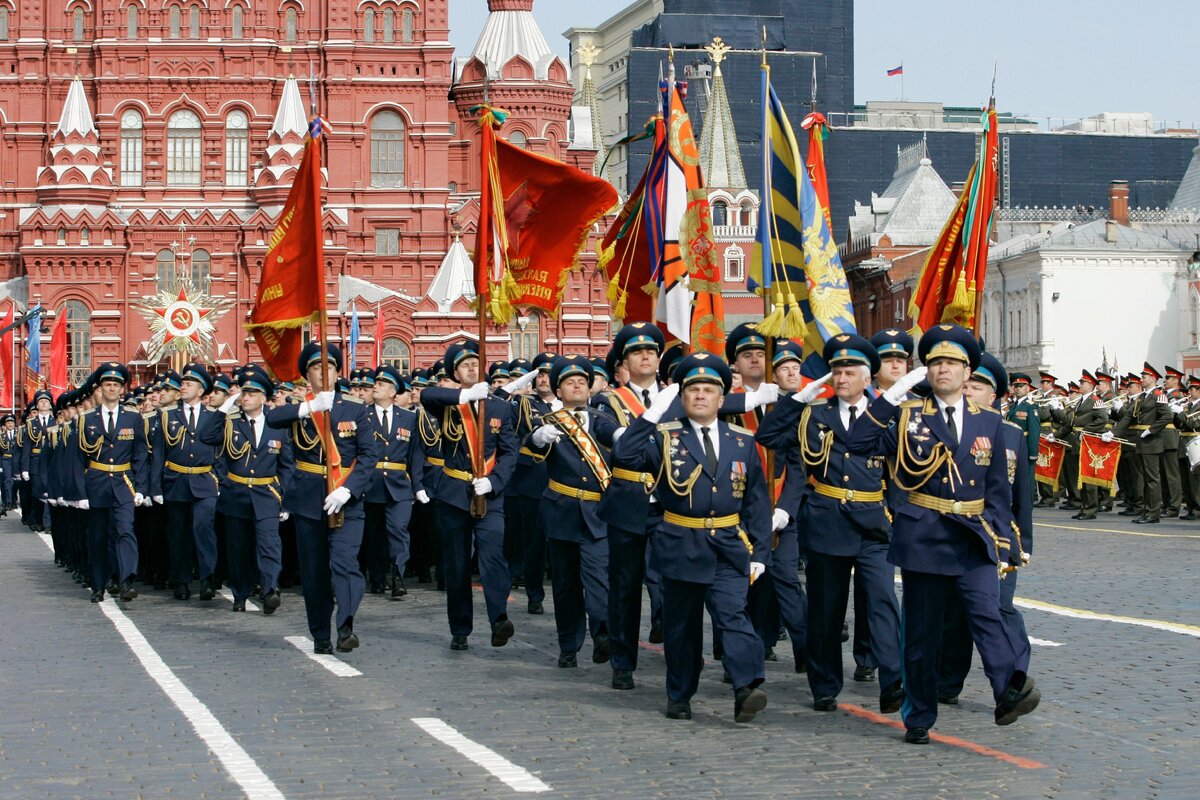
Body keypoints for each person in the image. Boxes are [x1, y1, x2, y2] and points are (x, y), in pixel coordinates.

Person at [847, 323, 1039, 744]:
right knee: (922, 633)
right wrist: (891, 397)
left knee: (988, 614)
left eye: (952, 362)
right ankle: (918, 715)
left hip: (973, 534)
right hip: (924, 537)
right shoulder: (907, 415)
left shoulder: (989, 421)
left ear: (968, 371)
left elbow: (997, 490)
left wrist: (1005, 542)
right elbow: (858, 442)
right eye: (935, 363)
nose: (943, 370)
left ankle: (1008, 689)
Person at [613, 352, 771, 723]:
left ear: (722, 398)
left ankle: (746, 686)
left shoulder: (742, 440)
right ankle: (680, 694)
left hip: (728, 545)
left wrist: (760, 551)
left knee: (734, 616)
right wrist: (651, 415)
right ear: (682, 398)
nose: (700, 396)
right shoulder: (665, 437)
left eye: (708, 390)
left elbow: (757, 501)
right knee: (681, 626)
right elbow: (624, 454)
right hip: (681, 542)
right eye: (693, 390)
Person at [757, 334, 904, 715]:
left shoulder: (887, 414)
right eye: (836, 370)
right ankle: (824, 685)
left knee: (882, 604)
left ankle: (894, 681)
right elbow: (767, 435)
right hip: (826, 522)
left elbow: (900, 471)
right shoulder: (814, 415)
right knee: (826, 610)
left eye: (850, 370)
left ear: (868, 376)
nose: (841, 377)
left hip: (874, 525)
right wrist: (797, 400)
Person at [266, 342, 378, 653]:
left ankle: (345, 625)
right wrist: (308, 408)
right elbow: (273, 419)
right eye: (317, 368)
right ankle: (320, 634)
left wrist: (348, 489)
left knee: (345, 564)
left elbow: (369, 456)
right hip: (308, 501)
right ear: (307, 376)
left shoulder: (354, 409)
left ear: (338, 372)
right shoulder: (298, 408)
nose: (324, 372)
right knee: (314, 573)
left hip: (347, 499)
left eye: (329, 367)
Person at [938, 352, 1034, 705]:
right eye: (965, 386)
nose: (968, 393)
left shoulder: (1011, 434)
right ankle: (947, 683)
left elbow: (1021, 493)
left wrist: (1025, 543)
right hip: (958, 531)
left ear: (992, 395)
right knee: (956, 615)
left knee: (1002, 608)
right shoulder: (947, 427)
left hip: (999, 536)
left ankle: (1016, 677)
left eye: (976, 387)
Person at [419, 340, 519, 651]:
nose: (472, 368)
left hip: (489, 494)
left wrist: (494, 482)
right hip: (453, 494)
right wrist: (465, 396)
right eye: (465, 365)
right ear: (455, 373)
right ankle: (460, 628)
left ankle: (499, 618)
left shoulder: (502, 408)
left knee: (493, 557)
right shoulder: (448, 403)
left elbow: (509, 453)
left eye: (476, 363)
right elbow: (426, 395)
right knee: (457, 564)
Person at [524, 355, 618, 668]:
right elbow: (530, 447)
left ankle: (602, 634)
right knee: (565, 585)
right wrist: (536, 439)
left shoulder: (602, 418)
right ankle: (569, 644)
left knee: (599, 581)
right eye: (569, 382)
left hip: (596, 514)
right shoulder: (549, 422)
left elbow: (615, 441)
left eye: (581, 382)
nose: (576, 386)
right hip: (561, 512)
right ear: (559, 390)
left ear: (589, 389)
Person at [202, 365, 291, 614]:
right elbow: (206, 436)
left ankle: (270, 589)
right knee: (238, 548)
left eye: (251, 393)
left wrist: (285, 498)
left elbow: (287, 466)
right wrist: (223, 408)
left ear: (264, 397)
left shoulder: (278, 425)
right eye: (243, 393)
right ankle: (240, 593)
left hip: (266, 495)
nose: (246, 397)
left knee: (269, 544)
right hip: (236, 494)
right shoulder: (230, 423)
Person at [75, 363, 150, 602]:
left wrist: (140, 487)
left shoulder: (133, 418)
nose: (111, 388)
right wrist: (80, 493)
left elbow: (140, 454)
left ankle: (127, 580)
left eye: (116, 385)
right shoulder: (87, 419)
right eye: (107, 384)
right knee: (98, 537)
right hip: (96, 482)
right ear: (101, 389)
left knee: (125, 531)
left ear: (122, 390)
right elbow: (78, 459)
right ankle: (98, 585)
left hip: (123, 482)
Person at [150, 364, 222, 601]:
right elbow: (159, 453)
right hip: (176, 480)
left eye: (189, 384)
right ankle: (181, 580)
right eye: (182, 383)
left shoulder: (214, 417)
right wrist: (156, 486)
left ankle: (207, 579)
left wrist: (219, 480)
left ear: (201, 391)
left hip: (204, 480)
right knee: (178, 533)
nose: (183, 386)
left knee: (204, 529)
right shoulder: (167, 415)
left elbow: (221, 451)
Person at [362, 365, 426, 599]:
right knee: (374, 534)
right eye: (375, 383)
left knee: (399, 530)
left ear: (393, 392)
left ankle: (397, 575)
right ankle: (377, 578)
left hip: (400, 485)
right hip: (371, 483)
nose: (375, 386)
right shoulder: (363, 415)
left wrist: (417, 485)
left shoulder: (408, 418)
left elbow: (415, 455)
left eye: (381, 384)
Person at [1113, 364, 1172, 524]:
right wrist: (1113, 432)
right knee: (1145, 478)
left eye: (1144, 377)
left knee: (1153, 479)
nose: (1141, 379)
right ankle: (1147, 510)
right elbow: (1128, 418)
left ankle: (1153, 513)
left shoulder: (1158, 395)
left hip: (1151, 442)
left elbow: (1167, 416)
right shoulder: (1142, 397)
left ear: (1153, 379)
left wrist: (1151, 430)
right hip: (1141, 442)